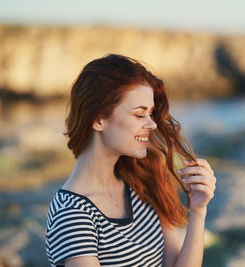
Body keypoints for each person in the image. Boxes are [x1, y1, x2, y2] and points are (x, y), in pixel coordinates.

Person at [45, 54, 216, 267]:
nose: (152, 124)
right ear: (98, 120)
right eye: (139, 115)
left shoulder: (142, 182)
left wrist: (199, 210)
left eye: (151, 113)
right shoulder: (72, 215)